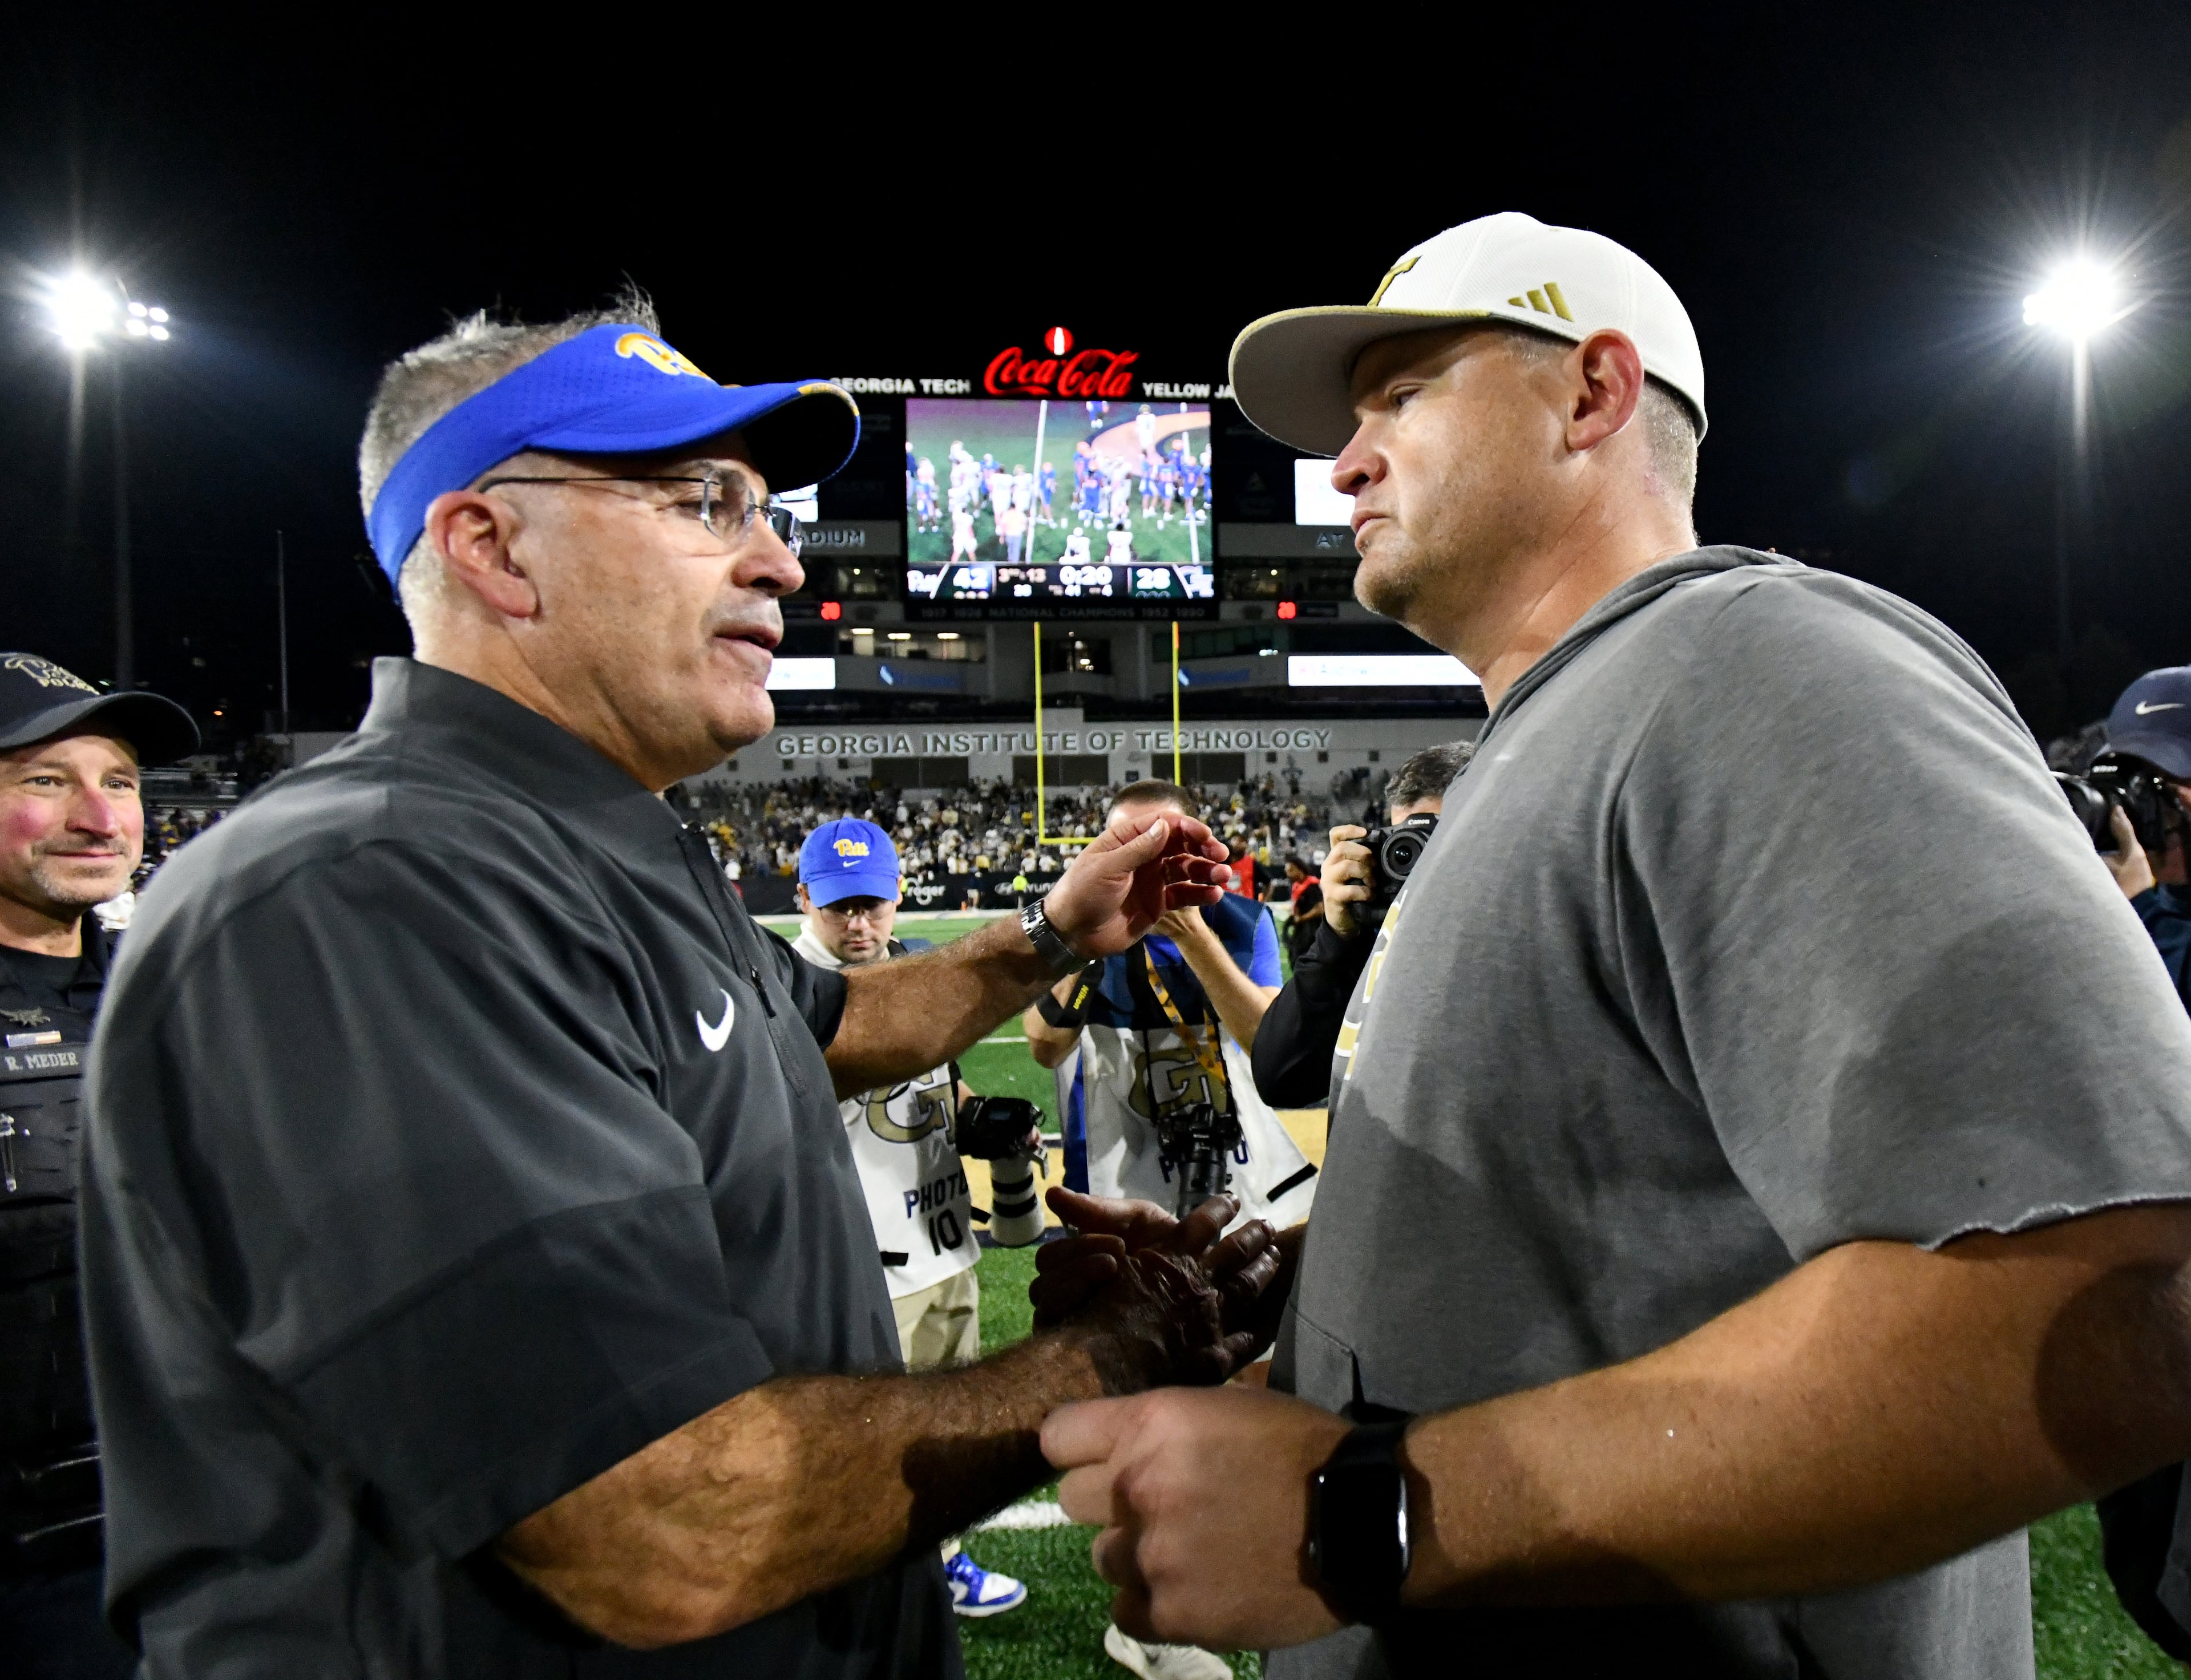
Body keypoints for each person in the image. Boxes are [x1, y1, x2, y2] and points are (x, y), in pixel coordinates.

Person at [1035, 211, 2191, 1679]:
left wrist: (1366, 1515)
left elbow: (2122, 1289)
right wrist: (1310, 1283)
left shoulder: (1756, 667)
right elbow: (1651, 1206)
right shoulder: (1555, 735)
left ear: (1590, 394)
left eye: (1400, 394)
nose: (1344, 460)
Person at [78, 303, 1269, 1679]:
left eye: (769, 510)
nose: (779, 560)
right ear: (489, 546)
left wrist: (1050, 935)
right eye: (706, 501)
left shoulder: (602, 839)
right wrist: (1114, 1348)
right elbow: (663, 1520)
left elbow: (834, 1028)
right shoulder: (373, 882)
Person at [0, 656, 196, 1680]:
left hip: (183, 1547)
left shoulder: (182, 993)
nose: (97, 815)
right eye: (43, 780)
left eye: (118, 781)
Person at [790, 818, 1030, 1621]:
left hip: (942, 1238)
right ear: (804, 901)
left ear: (897, 895)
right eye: (838, 909)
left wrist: (981, 1121)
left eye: (870, 904)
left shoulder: (918, 965)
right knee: (866, 1435)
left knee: (944, 1425)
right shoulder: (786, 988)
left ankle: (942, 1564)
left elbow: (940, 1087)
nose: (858, 924)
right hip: (859, 1259)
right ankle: (857, 1582)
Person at [1250, 742, 1469, 1111]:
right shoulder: (1371, 940)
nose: (1415, 859)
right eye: (1403, 844)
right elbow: (1282, 1080)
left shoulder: (1529, 932)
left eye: (1438, 836)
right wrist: (1336, 940)